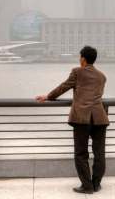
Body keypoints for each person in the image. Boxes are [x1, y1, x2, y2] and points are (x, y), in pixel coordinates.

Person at [35, 46, 108, 194]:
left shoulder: (77, 72)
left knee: (81, 153)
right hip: (100, 117)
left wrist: (48, 96)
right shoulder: (102, 76)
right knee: (99, 153)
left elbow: (64, 87)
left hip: (82, 118)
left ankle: (87, 186)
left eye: (80, 57)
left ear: (83, 59)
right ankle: (96, 184)